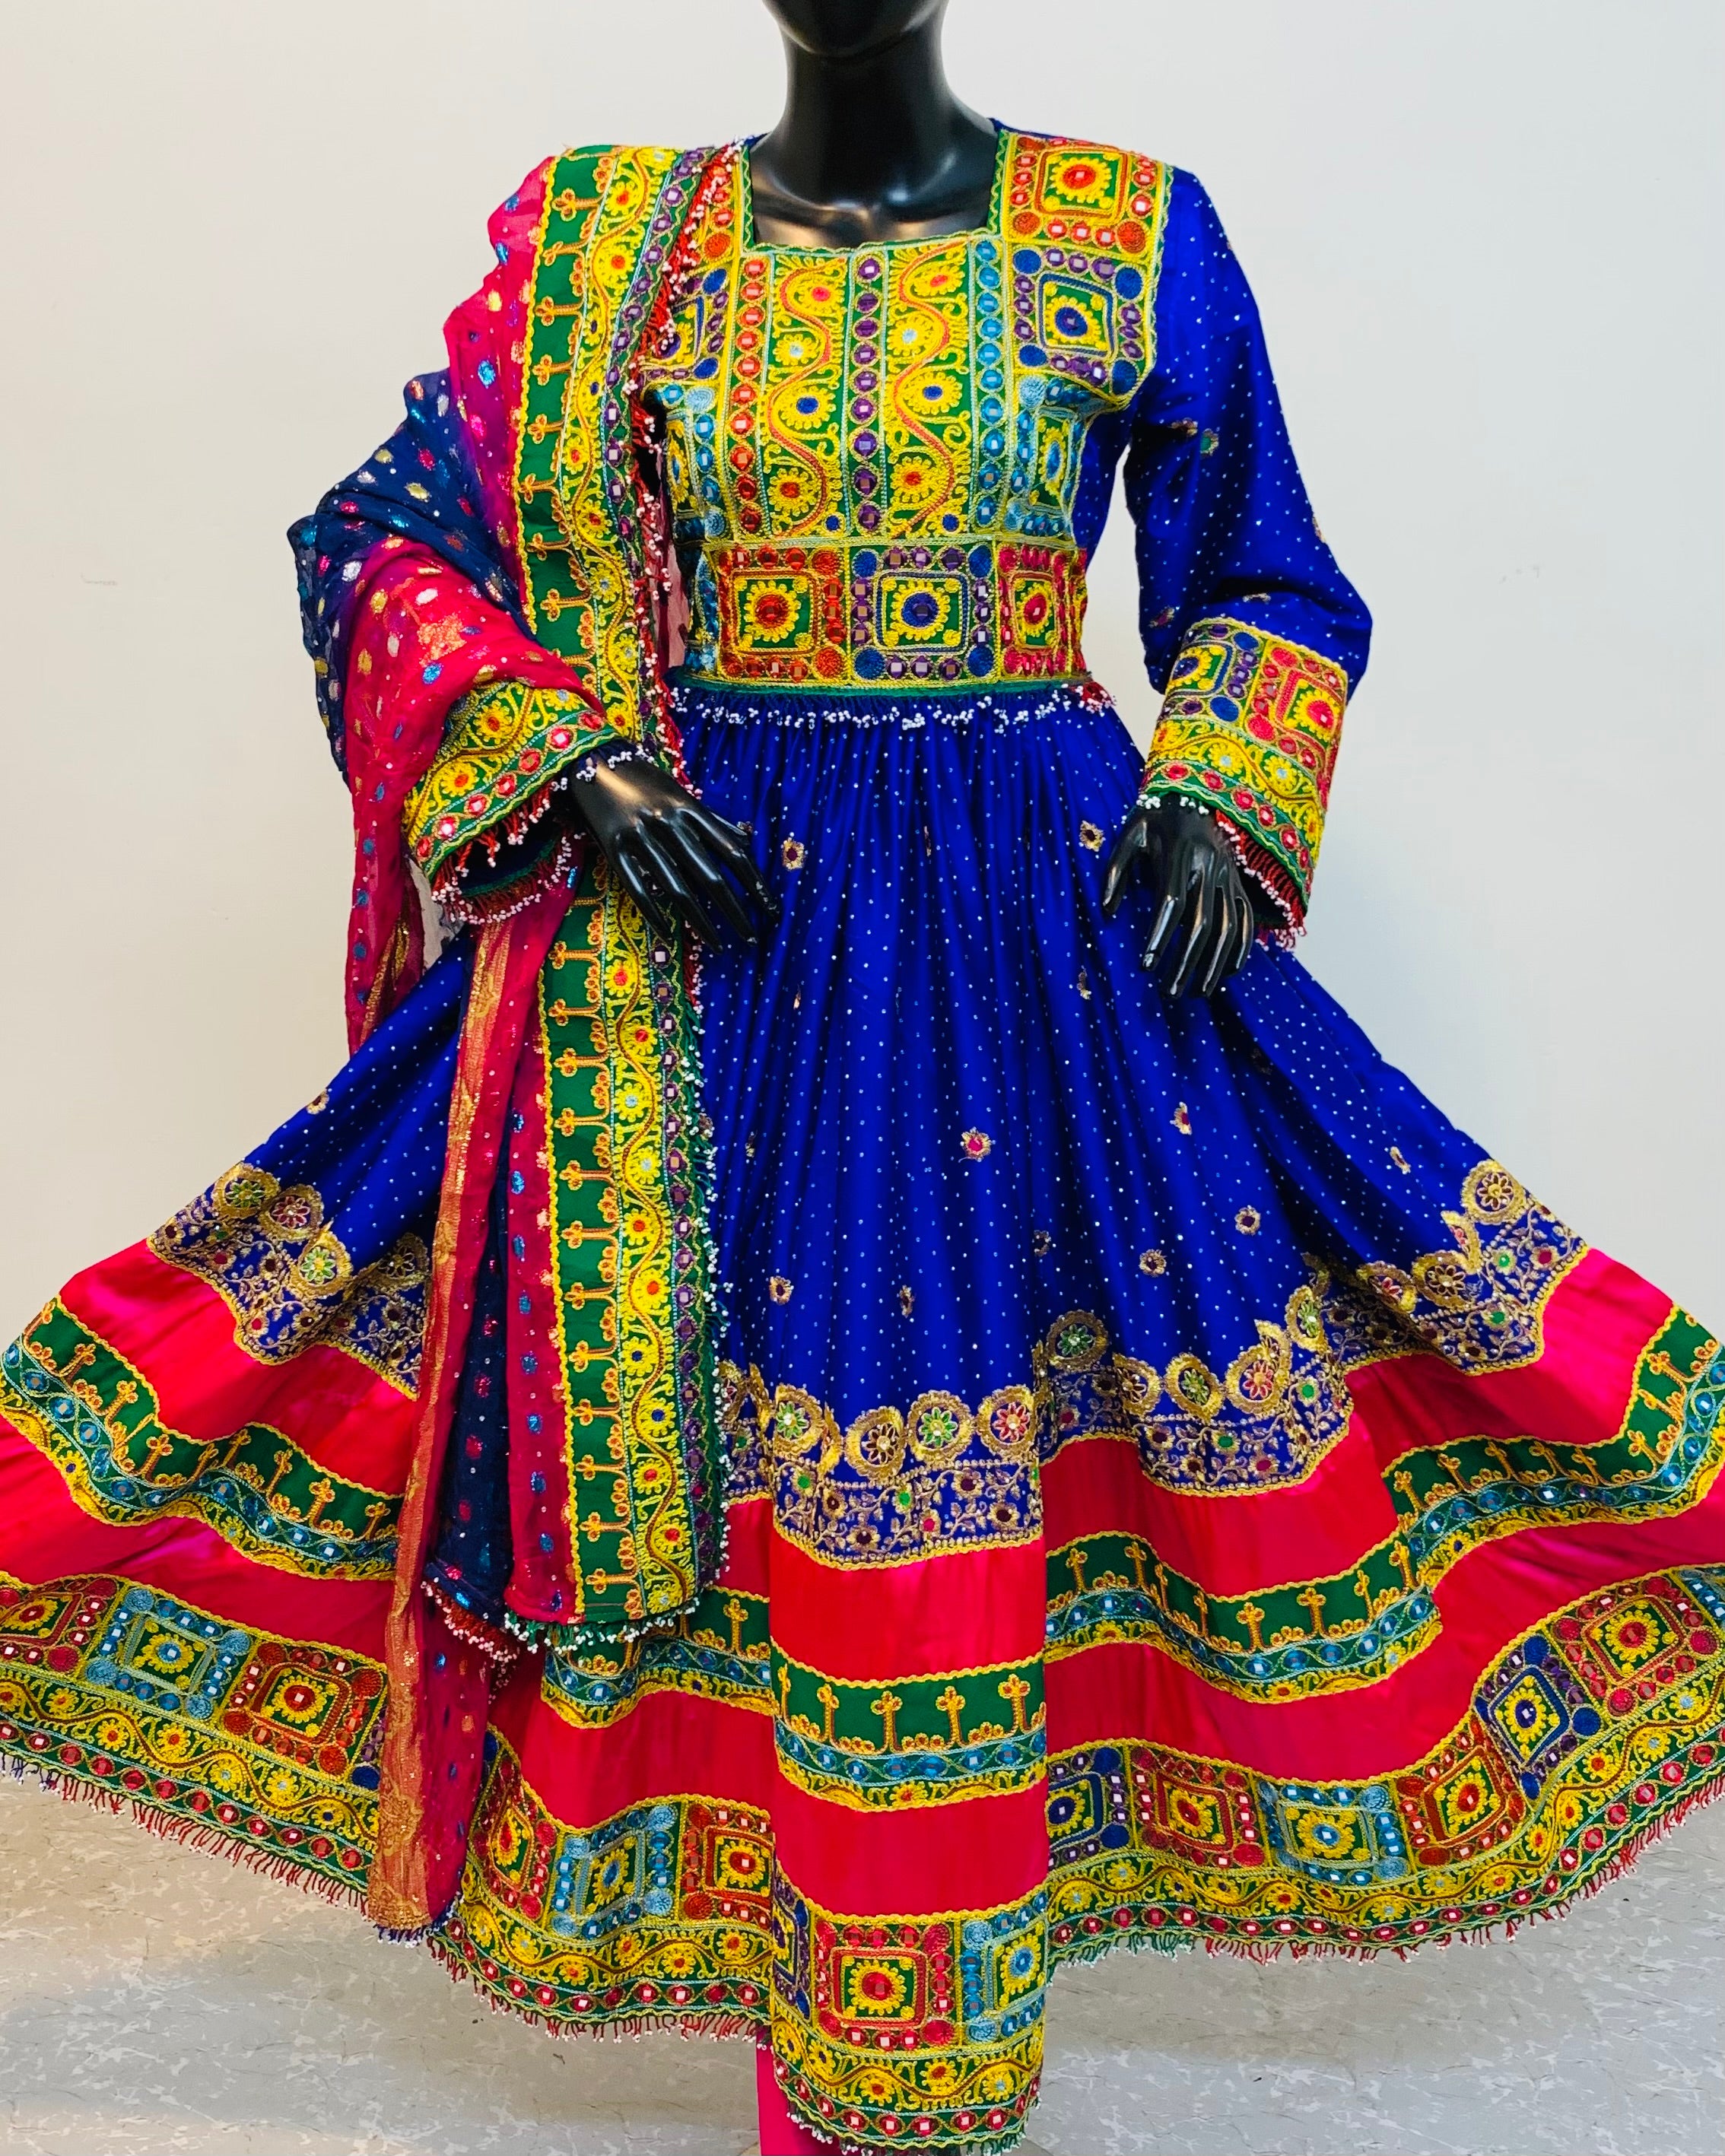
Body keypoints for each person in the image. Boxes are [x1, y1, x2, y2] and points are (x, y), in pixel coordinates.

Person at [2, 5, 1720, 2152]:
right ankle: (827, 2002)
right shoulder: (615, 243)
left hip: (1045, 935)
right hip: (709, 946)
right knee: (528, 1364)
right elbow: (385, 543)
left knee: (1215, 1359)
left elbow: (1262, 577)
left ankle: (939, 2009)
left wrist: (1220, 783)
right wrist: (560, 758)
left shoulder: (1129, 230)